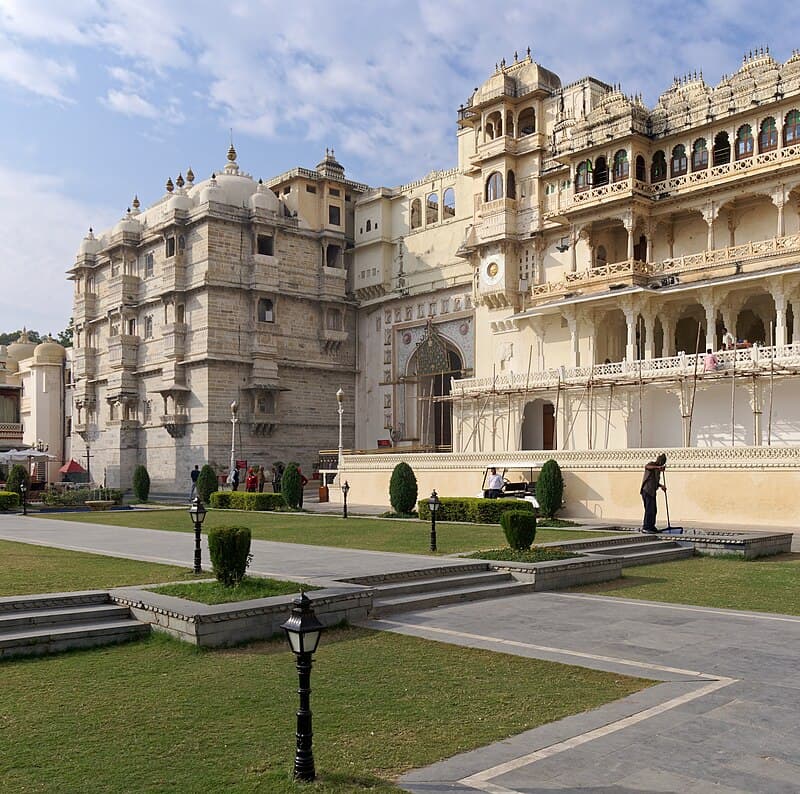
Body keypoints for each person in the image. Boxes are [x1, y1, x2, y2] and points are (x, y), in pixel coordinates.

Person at [640, 453, 667, 533]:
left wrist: (661, 486)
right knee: (649, 509)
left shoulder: (658, 471)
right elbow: (646, 467)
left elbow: (654, 482)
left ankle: (651, 526)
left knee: (654, 510)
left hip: (652, 492)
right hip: (647, 491)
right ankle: (646, 527)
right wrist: (658, 467)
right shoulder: (652, 464)